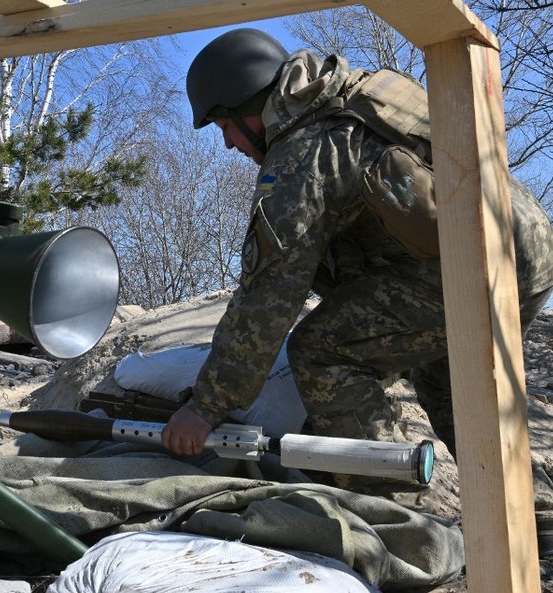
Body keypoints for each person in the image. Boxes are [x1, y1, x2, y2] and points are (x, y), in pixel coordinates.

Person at [160, 29, 553, 499]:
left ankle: (387, 502)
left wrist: (206, 406)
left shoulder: (303, 154)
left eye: (224, 125)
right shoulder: (349, 100)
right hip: (524, 249)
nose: (227, 144)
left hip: (469, 262)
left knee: (322, 350)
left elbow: (268, 295)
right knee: (450, 378)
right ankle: (532, 511)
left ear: (248, 107)